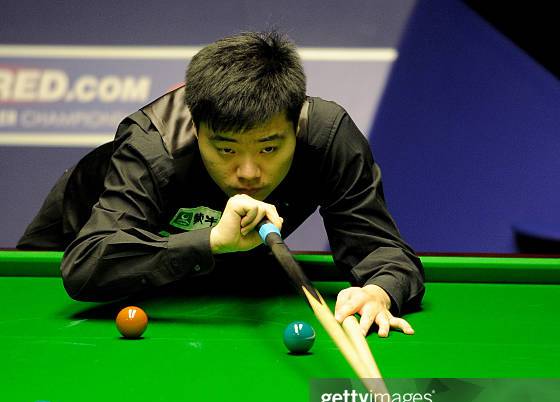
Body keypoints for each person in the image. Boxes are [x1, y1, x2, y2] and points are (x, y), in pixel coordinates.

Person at [17, 31, 424, 337]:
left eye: (268, 148)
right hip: (75, 240)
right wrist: (210, 240)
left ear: (295, 128)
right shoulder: (153, 145)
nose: (248, 173)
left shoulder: (327, 137)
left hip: (194, 265)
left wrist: (380, 291)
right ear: (196, 129)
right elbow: (86, 263)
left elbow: (382, 250)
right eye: (227, 150)